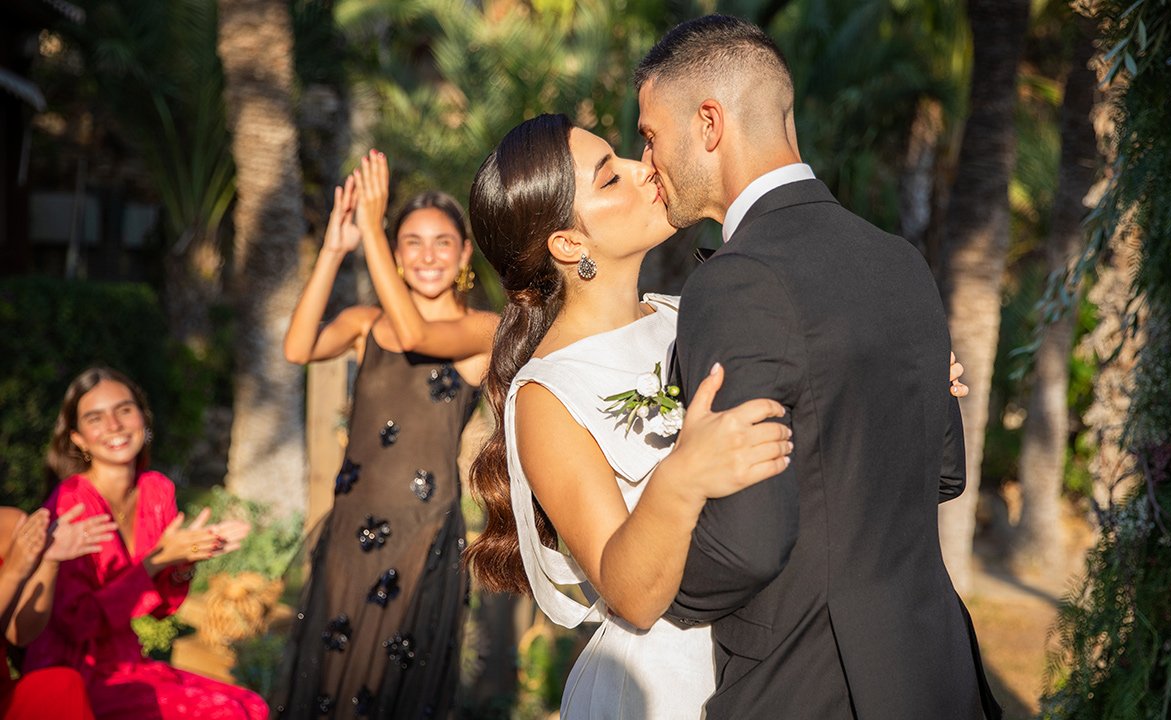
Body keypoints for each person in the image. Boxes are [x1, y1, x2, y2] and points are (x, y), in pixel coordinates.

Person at [462, 115, 969, 719]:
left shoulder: (691, 312)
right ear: (569, 244)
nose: (641, 167)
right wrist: (684, 476)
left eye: (624, 155)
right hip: (666, 686)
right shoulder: (548, 395)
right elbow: (631, 595)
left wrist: (893, 382)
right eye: (609, 178)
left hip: (783, 660)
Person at [634, 15, 1002, 719]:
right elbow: (943, 470)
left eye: (651, 135)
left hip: (812, 686)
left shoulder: (736, 280)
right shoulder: (899, 260)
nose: (648, 161)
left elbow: (749, 542)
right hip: (934, 674)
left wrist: (640, 585)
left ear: (709, 123)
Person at [272, 151, 497, 719]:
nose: (427, 255)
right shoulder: (362, 324)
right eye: (411, 242)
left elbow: (418, 333)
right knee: (332, 681)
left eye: (442, 242)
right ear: (394, 256)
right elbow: (297, 349)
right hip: (349, 527)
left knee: (386, 685)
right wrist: (335, 248)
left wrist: (374, 226)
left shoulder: (481, 330)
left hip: (420, 535)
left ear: (464, 253)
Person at [25, 367, 263, 720]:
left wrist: (185, 560)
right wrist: (157, 560)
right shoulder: (71, 504)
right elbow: (78, 624)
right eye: (95, 417)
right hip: (73, 670)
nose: (114, 425)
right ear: (77, 438)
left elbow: (161, 607)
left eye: (124, 409)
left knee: (252, 705)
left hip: (127, 660)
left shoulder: (156, 490)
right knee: (225, 714)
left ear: (143, 419)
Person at [0, 501, 113, 719]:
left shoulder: (10, 524)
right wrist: (13, 573)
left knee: (62, 686)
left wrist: (50, 562)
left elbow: (20, 633)